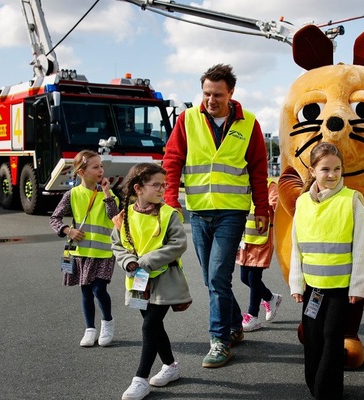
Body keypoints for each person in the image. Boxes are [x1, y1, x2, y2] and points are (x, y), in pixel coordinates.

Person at [162, 63, 270, 368]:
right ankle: (235, 324)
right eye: (207, 93)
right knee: (213, 280)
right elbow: (172, 160)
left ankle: (219, 340)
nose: (211, 100)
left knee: (219, 276)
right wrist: (170, 200)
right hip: (198, 211)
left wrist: (262, 208)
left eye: (217, 94)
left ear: (231, 93)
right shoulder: (187, 119)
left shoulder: (249, 123)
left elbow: (259, 169)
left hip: (232, 212)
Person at [289, 142, 364, 400]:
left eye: (337, 169)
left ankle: (327, 392)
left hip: (340, 287)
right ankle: (315, 386)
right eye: (325, 169)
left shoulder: (352, 200)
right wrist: (296, 283)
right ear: (312, 171)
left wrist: (358, 286)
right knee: (312, 339)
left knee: (331, 339)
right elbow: (296, 246)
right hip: (312, 287)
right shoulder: (302, 203)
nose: (332, 175)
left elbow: (360, 247)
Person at [111, 163, 192, 400]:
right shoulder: (125, 216)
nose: (162, 189)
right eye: (156, 185)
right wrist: (128, 262)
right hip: (137, 281)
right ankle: (170, 366)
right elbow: (117, 245)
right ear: (138, 188)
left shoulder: (169, 214)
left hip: (165, 280)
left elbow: (178, 245)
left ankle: (141, 379)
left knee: (149, 327)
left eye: (164, 185)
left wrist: (145, 261)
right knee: (154, 327)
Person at [49, 149, 118, 347]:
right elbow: (55, 218)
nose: (101, 170)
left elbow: (113, 217)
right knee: (86, 291)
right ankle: (90, 329)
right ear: (81, 172)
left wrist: (106, 193)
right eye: (95, 167)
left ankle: (107, 322)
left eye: (101, 166)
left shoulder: (109, 194)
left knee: (98, 289)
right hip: (80, 253)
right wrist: (67, 231)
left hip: (104, 252)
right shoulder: (73, 194)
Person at [237, 178, 283, 332]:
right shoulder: (242, 182)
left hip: (261, 239)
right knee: (244, 277)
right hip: (246, 239)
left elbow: (278, 206)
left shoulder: (270, 185)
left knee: (253, 278)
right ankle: (270, 297)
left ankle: (253, 316)